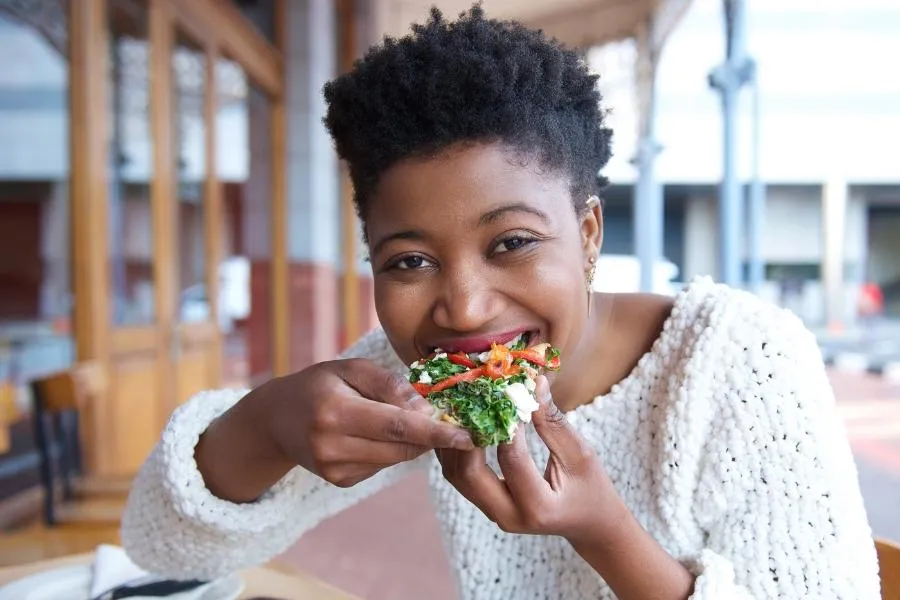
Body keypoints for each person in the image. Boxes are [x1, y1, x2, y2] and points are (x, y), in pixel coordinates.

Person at [120, 6, 881, 599]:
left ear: (586, 233)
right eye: (410, 260)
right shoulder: (419, 380)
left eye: (511, 242)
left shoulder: (740, 361)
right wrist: (266, 424)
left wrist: (605, 532)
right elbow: (162, 546)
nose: (466, 309)